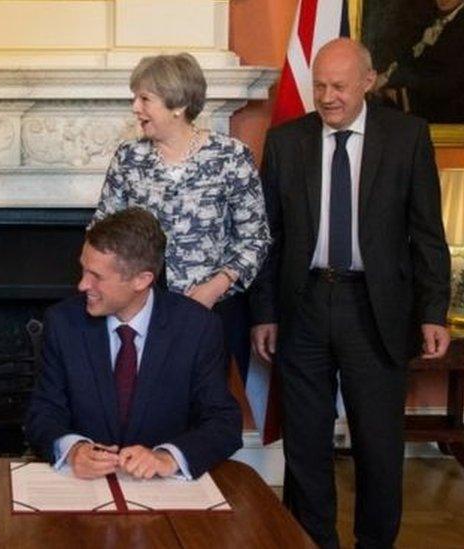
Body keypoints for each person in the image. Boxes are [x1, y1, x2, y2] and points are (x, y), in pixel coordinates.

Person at [250, 38, 451, 548]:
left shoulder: (406, 137)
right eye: (319, 85)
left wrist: (433, 312)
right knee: (306, 443)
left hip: (376, 309)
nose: (327, 96)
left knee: (379, 445)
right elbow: (267, 238)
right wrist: (265, 312)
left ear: (368, 82)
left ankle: (374, 543)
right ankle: (313, 540)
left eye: (339, 85)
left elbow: (427, 233)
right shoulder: (287, 142)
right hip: (305, 306)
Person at [24, 208, 242, 481]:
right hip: (84, 489)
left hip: (164, 492)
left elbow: (224, 423)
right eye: (83, 270)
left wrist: (167, 457)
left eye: (97, 276)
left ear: (142, 280)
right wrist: (74, 450)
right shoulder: (63, 323)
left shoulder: (197, 328)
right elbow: (43, 413)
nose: (82, 285)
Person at [93, 53, 269, 385]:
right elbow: (102, 230)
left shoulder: (230, 157)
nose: (135, 107)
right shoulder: (129, 158)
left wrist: (213, 289)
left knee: (203, 407)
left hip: (212, 311)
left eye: (145, 98)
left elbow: (255, 239)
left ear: (177, 104)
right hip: (141, 309)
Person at [371, 0, 464, 123]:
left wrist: (397, 90)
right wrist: (387, 77)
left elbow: (451, 81)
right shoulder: (430, 17)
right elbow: (410, 58)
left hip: (443, 114)